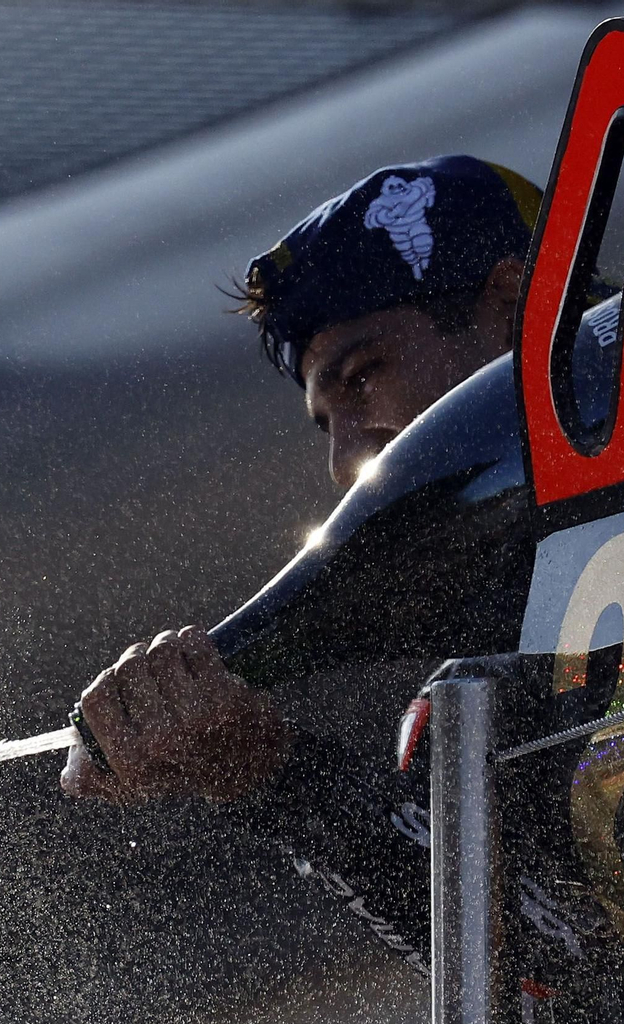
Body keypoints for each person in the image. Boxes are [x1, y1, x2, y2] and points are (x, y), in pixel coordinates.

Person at [59, 154, 544, 973]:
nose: (349, 464)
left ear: (510, 301)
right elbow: (539, 963)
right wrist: (263, 774)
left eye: (362, 379)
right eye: (325, 424)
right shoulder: (507, 641)